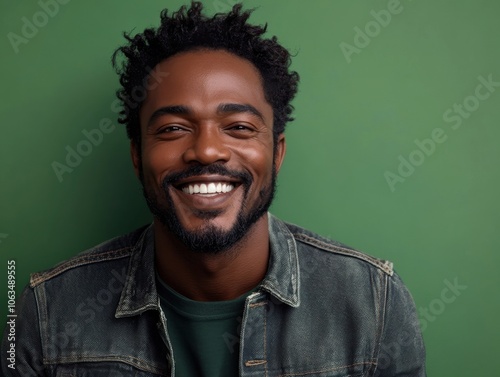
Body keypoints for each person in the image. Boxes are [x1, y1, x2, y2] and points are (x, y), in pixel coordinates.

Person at [1, 2, 426, 376]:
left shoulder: (375, 305)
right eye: (172, 128)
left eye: (239, 127)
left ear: (276, 153)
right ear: (137, 156)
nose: (206, 150)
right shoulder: (46, 312)